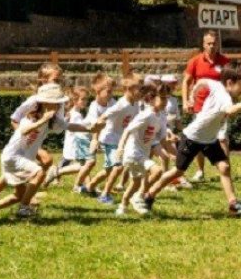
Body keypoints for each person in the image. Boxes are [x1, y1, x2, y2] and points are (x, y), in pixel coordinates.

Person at [138, 61, 241, 216]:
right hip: (193, 137)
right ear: (230, 82)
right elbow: (231, 111)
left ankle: (233, 204)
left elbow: (202, 81)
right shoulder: (224, 97)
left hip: (209, 139)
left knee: (224, 167)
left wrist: (193, 93)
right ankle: (148, 195)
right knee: (177, 172)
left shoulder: (216, 84)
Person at [0, 84, 98, 218]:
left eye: (58, 104)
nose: (57, 107)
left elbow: (69, 126)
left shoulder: (53, 120)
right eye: (54, 104)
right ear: (44, 103)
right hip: (13, 156)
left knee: (19, 195)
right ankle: (24, 208)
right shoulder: (32, 117)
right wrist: (43, 119)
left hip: (19, 158)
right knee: (39, 172)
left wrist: (91, 128)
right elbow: (24, 130)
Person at [0, 63, 63, 204]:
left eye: (60, 80)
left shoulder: (56, 99)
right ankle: (26, 196)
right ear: (43, 80)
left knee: (40, 162)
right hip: (25, 139)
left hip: (33, 139)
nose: (58, 83)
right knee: (45, 161)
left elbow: (58, 123)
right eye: (55, 80)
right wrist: (24, 138)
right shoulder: (34, 100)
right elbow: (15, 118)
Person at [115, 83, 176, 216]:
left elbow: (163, 140)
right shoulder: (146, 115)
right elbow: (127, 130)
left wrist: (177, 154)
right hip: (133, 153)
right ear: (152, 99)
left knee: (135, 183)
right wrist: (120, 147)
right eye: (162, 98)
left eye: (167, 98)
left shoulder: (161, 116)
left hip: (143, 154)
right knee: (157, 171)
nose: (166, 101)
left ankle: (123, 204)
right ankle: (140, 197)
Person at [84, 73, 143, 205]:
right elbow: (103, 116)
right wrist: (95, 135)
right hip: (110, 140)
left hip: (120, 140)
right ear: (129, 89)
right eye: (139, 89)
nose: (141, 92)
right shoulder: (121, 105)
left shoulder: (135, 104)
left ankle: (89, 187)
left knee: (109, 170)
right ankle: (105, 195)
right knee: (118, 167)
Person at [182, 30, 230, 182]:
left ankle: (225, 169)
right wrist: (185, 101)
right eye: (208, 43)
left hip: (220, 108)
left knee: (222, 139)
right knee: (199, 140)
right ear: (203, 44)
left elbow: (231, 83)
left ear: (218, 44)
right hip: (200, 107)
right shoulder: (195, 61)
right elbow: (186, 82)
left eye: (214, 43)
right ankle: (200, 171)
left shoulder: (225, 62)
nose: (211, 46)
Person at [72, 73, 116, 194]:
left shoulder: (112, 102)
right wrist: (95, 141)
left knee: (89, 163)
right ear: (98, 91)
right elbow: (95, 125)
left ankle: (88, 186)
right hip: (84, 137)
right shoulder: (94, 107)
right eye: (108, 91)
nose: (111, 94)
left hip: (94, 136)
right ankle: (77, 186)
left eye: (112, 91)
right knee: (90, 162)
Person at [44, 86, 90, 186]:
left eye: (86, 99)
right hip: (75, 144)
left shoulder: (73, 113)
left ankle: (51, 179)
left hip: (71, 143)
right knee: (84, 164)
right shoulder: (76, 115)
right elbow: (78, 129)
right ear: (75, 100)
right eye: (83, 99)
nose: (85, 101)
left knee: (67, 163)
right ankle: (87, 185)